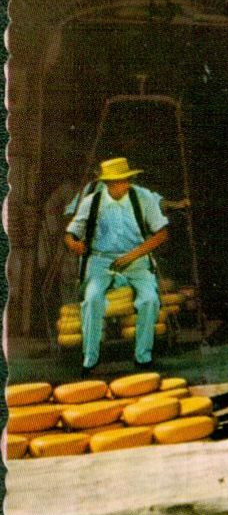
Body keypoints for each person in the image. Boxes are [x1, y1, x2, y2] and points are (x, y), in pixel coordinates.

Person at [64, 158, 170, 373]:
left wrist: (133, 255)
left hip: (137, 259)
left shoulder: (143, 198)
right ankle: (90, 360)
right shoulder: (92, 202)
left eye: (124, 180)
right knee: (92, 299)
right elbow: (70, 234)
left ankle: (143, 357)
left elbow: (162, 234)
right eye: (116, 182)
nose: (122, 185)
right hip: (101, 260)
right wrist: (74, 245)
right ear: (107, 183)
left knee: (149, 299)